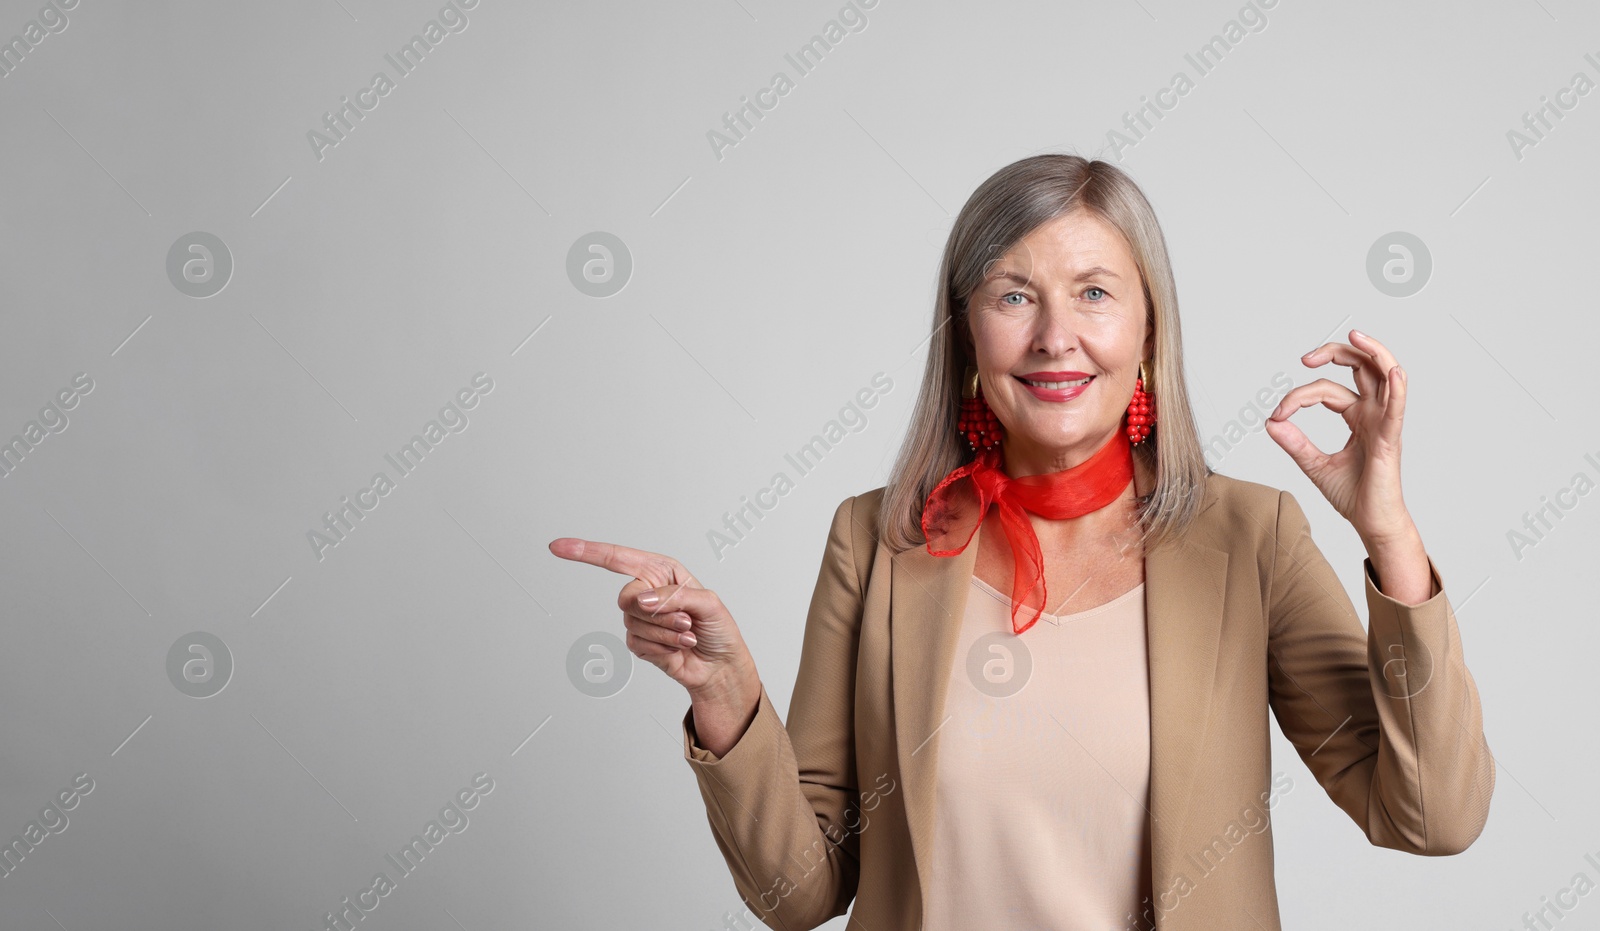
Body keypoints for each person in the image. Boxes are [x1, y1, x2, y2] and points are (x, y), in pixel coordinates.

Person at [548, 154, 1494, 931]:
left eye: (1093, 292)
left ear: (1147, 328)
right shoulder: (877, 543)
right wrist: (724, 692)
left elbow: (1432, 816)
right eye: (1013, 295)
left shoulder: (1251, 539)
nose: (1055, 336)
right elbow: (797, 893)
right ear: (963, 333)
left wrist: (1389, 534)